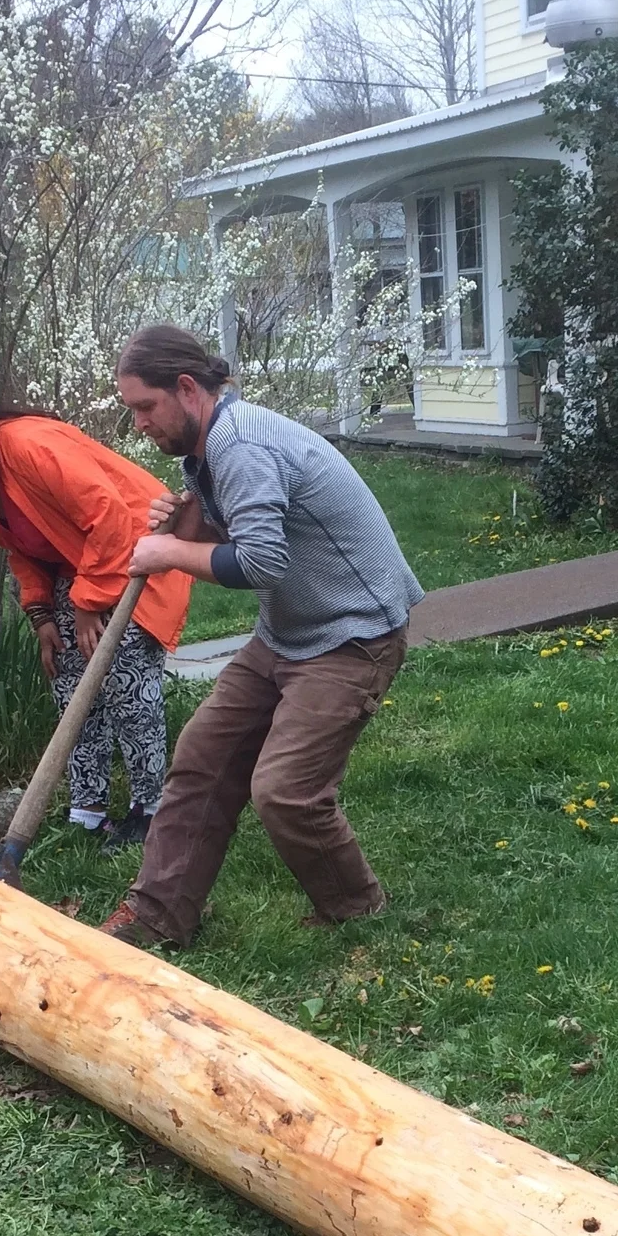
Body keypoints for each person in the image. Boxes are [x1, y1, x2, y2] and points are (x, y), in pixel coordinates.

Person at [96, 326, 423, 945]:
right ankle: (157, 916)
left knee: (286, 792)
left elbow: (262, 563)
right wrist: (189, 527)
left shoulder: (241, 446)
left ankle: (356, 909)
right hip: (288, 631)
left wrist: (169, 550)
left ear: (187, 389)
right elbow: (249, 539)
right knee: (199, 761)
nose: (138, 424)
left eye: (144, 406)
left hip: (353, 634)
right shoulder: (209, 448)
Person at [0, 373, 189, 850]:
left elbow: (108, 515)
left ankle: (152, 812)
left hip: (139, 559)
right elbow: (23, 548)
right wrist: (43, 616)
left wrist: (88, 602)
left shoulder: (28, 445)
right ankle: (88, 812)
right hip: (87, 568)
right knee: (71, 683)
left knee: (127, 686)